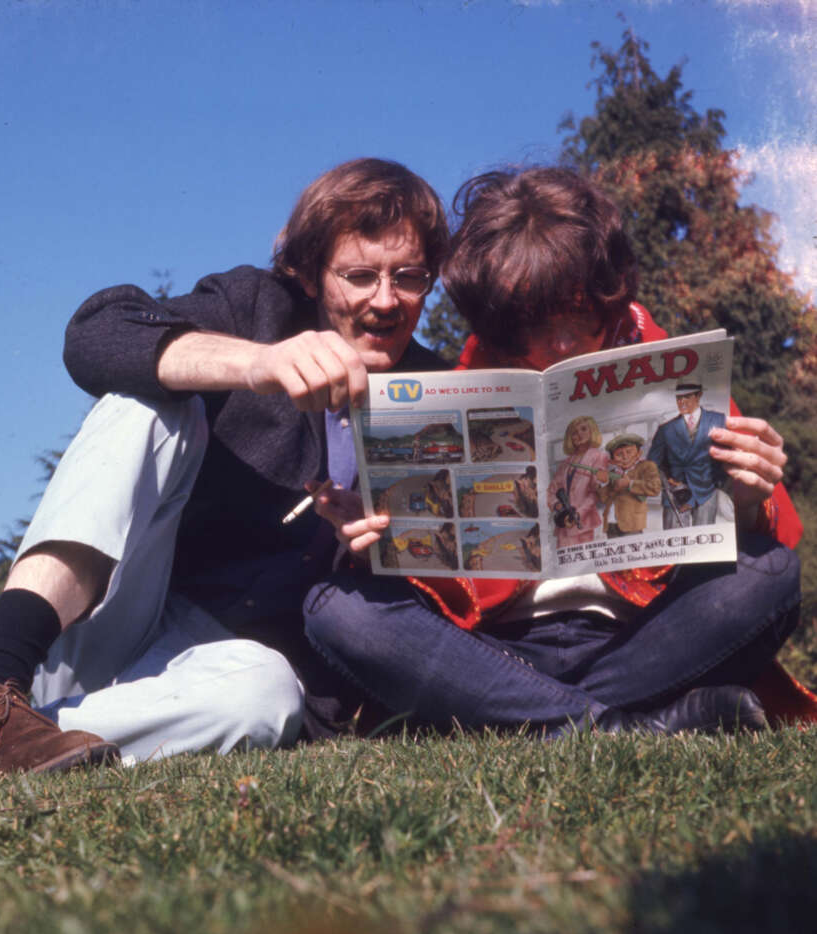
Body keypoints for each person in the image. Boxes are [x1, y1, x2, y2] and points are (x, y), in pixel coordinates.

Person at [0, 157, 453, 789]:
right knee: (146, 403)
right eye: (359, 276)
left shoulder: (445, 394)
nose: (386, 300)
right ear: (309, 276)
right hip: (118, 610)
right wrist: (257, 364)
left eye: (410, 278)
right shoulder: (256, 308)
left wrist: (369, 559)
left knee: (264, 699)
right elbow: (96, 332)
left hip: (214, 669)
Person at [303, 166, 815, 737]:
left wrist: (747, 497)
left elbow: (764, 539)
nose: (563, 344)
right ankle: (624, 725)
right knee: (336, 608)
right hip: (494, 651)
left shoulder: (671, 367)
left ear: (609, 294)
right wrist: (376, 542)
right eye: (533, 327)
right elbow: (433, 582)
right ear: (496, 319)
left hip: (642, 638)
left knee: (771, 574)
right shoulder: (458, 388)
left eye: (581, 316)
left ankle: (524, 717)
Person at [647, 383, 728, 528]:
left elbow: (727, 455)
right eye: (678, 398)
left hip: (706, 491)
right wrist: (668, 482)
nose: (681, 401)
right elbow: (652, 464)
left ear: (698, 395)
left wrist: (717, 482)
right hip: (676, 494)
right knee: (675, 544)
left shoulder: (718, 420)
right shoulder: (665, 430)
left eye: (687, 396)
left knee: (706, 542)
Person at [549, 415, 610, 547]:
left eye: (583, 429)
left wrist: (578, 514)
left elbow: (595, 492)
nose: (579, 434)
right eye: (574, 433)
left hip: (583, 523)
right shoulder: (565, 463)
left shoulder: (599, 456)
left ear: (592, 431)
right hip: (563, 525)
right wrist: (558, 507)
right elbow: (552, 490)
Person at [598, 433, 661, 538]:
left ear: (639, 453)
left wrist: (630, 484)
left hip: (632, 523)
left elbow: (655, 487)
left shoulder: (646, 466)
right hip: (611, 523)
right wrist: (603, 482)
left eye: (629, 452)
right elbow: (603, 498)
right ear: (612, 460)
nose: (625, 457)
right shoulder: (613, 472)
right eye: (619, 454)